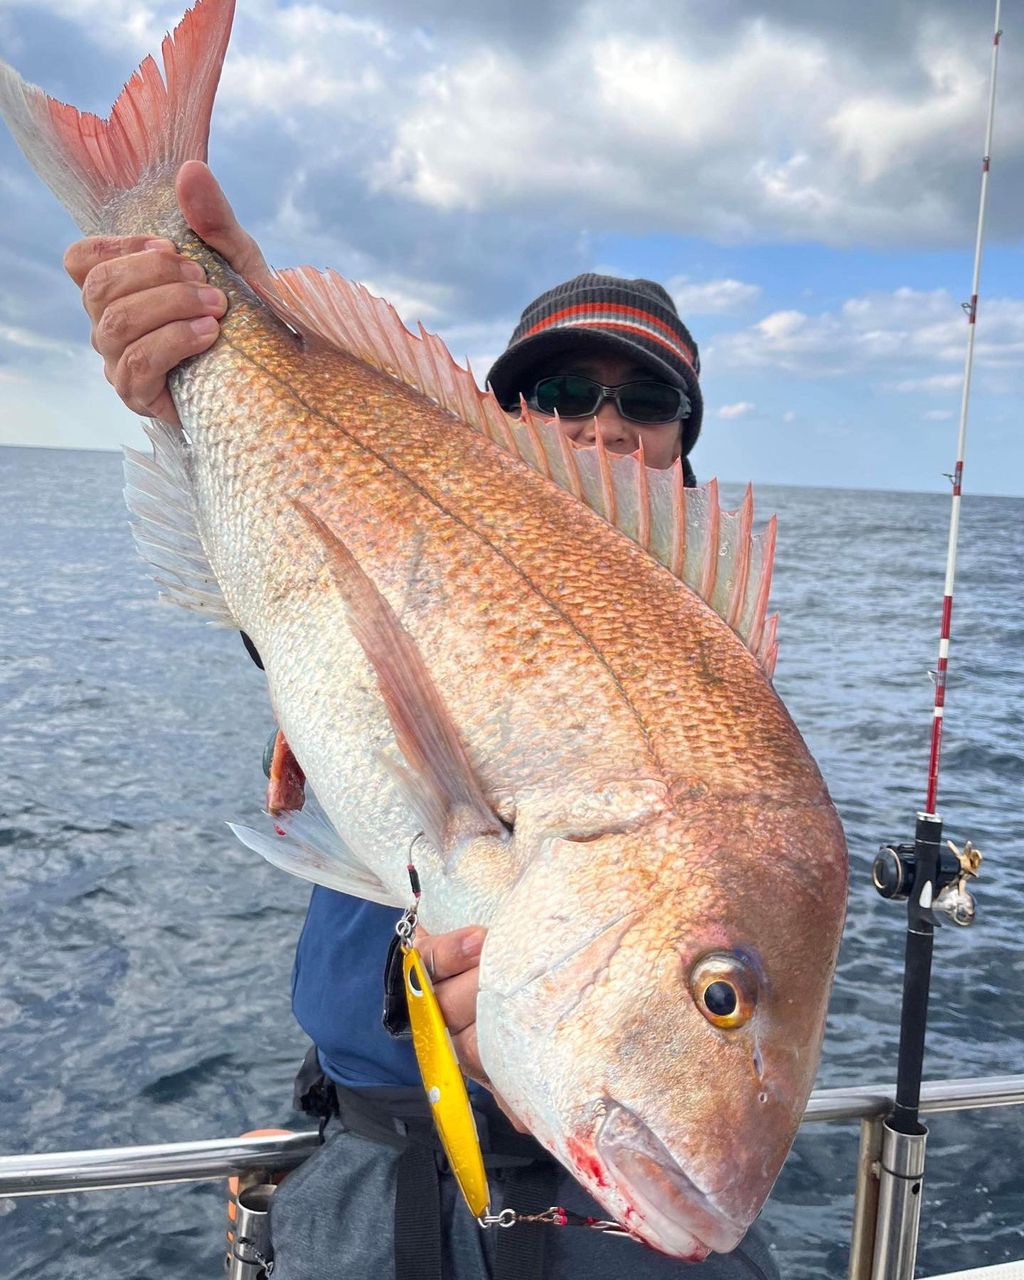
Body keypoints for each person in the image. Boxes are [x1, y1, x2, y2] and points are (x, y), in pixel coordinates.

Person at [64, 161, 781, 1280]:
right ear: (494, 423)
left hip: (605, 1221)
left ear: (684, 445)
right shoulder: (421, 557)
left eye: (645, 401)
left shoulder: (718, 692)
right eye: (557, 395)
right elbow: (301, 593)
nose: (603, 423)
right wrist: (204, 349)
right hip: (373, 1162)